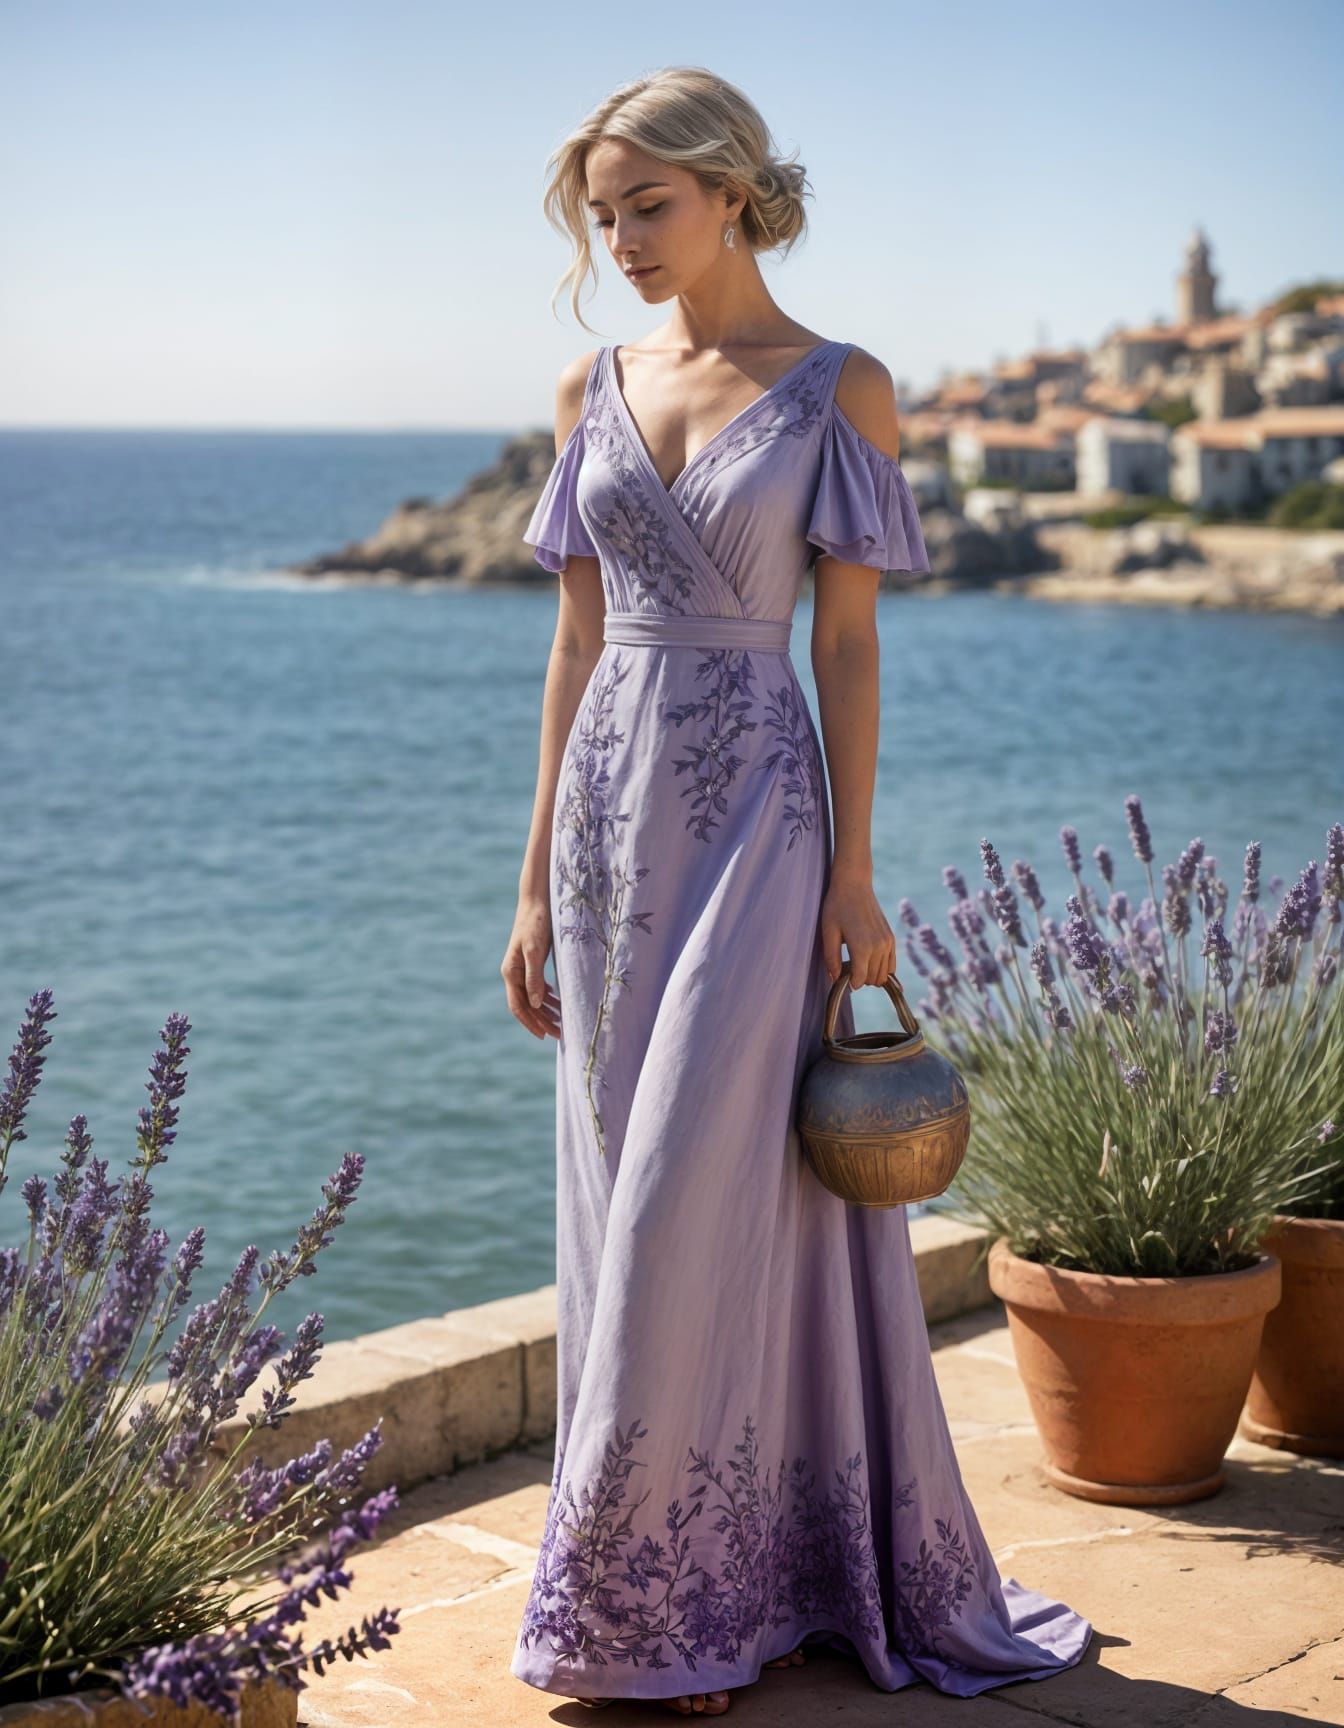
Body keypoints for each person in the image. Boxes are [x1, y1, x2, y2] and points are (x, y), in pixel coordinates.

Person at [499, 64, 1093, 1718]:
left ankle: (657, 1619)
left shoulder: (844, 387)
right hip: (614, 838)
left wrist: (857, 873)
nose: (620, 237)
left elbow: (845, 642)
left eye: (648, 204)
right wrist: (534, 876)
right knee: (635, 1204)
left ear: (735, 195)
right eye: (601, 212)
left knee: (700, 1183)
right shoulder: (587, 387)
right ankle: (726, 1572)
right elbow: (573, 642)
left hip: (761, 815)